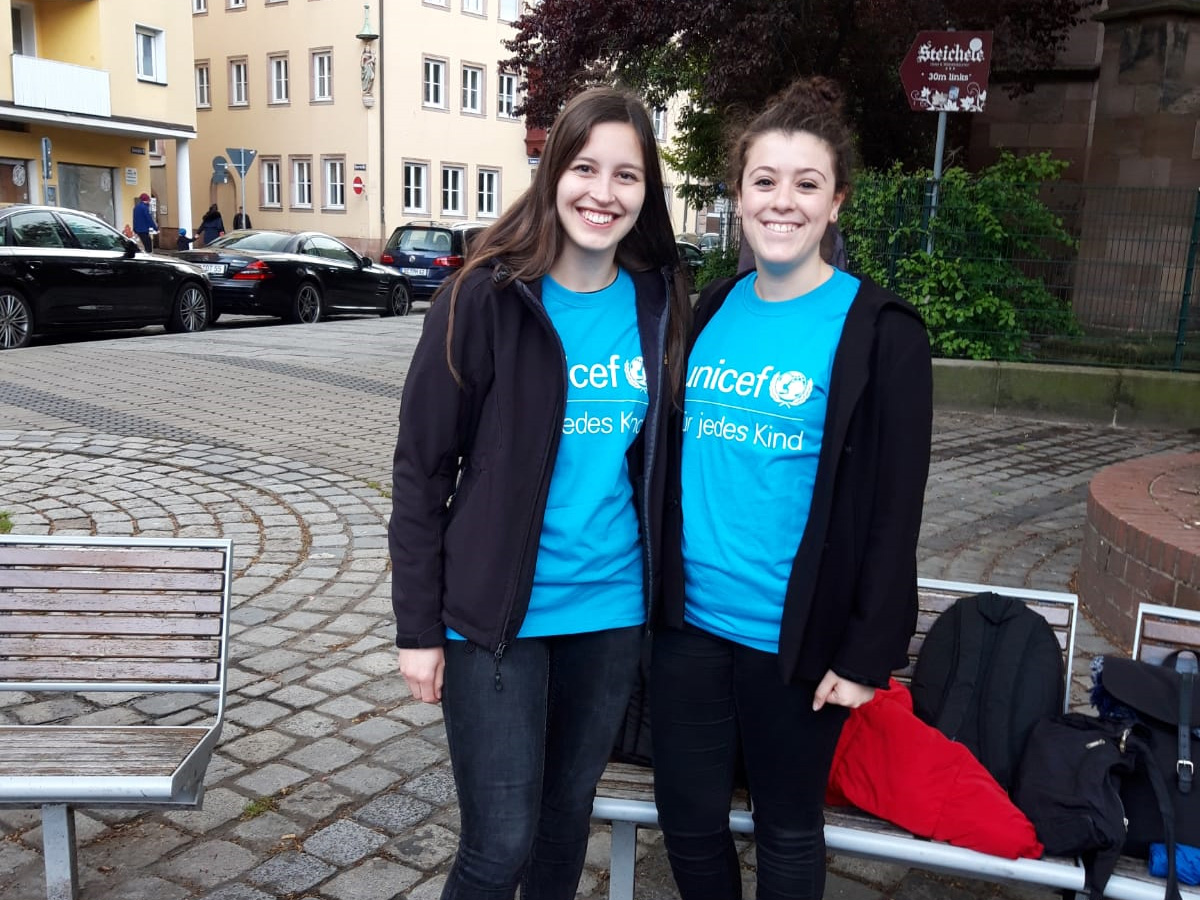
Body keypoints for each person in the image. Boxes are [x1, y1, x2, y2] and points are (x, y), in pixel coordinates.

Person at [388, 86, 690, 900]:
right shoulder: (482, 298)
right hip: (497, 618)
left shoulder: (660, 303)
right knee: (500, 843)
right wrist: (418, 629)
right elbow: (420, 472)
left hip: (612, 612)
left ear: (645, 193)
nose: (604, 191)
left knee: (564, 830)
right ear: (552, 171)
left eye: (627, 175)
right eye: (586, 167)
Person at [649, 76, 934, 900]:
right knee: (691, 826)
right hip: (689, 630)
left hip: (796, 645)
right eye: (764, 182)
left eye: (806, 184)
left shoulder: (882, 334)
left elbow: (893, 509)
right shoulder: (711, 308)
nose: (783, 202)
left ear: (836, 201)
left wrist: (866, 656)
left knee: (786, 830)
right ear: (736, 195)